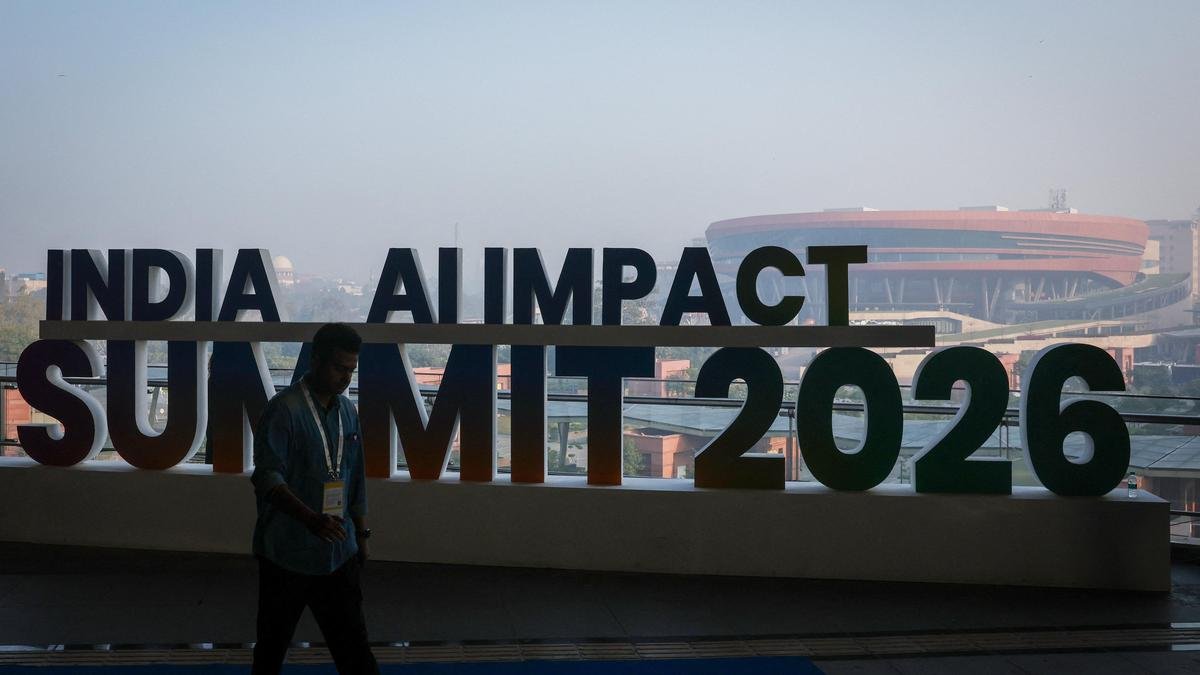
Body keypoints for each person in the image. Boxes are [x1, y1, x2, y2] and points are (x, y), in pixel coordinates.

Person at [249, 323, 379, 675]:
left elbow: (354, 477)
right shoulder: (284, 410)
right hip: (287, 554)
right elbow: (266, 478)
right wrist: (311, 520)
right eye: (339, 368)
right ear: (315, 360)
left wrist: (361, 534)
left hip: (338, 551)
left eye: (351, 370)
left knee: (355, 651)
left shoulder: (348, 411)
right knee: (271, 648)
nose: (345, 378)